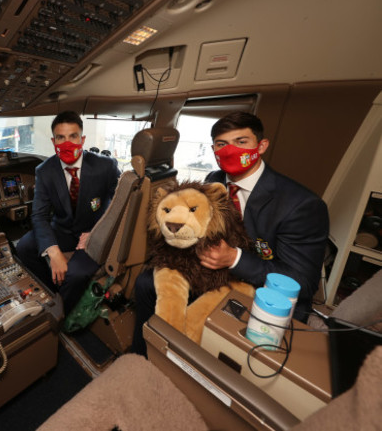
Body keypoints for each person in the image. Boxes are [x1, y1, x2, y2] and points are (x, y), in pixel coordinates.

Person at [132, 111, 329, 355]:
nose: (229, 150)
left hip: (261, 292)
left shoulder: (300, 204)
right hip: (211, 272)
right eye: (221, 144)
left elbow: (302, 282)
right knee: (145, 281)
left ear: (262, 145)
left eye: (241, 142)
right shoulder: (213, 179)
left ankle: (184, 365)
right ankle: (143, 355)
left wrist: (234, 258)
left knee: (208, 315)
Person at [15, 111, 121, 314]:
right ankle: (52, 291)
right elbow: (39, 215)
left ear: (82, 139)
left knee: (76, 274)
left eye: (73, 136)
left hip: (94, 234)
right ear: (54, 141)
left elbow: (120, 205)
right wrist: (53, 252)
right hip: (63, 230)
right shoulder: (44, 171)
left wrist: (97, 233)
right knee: (24, 246)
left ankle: (60, 315)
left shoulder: (105, 166)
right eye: (61, 138)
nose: (67, 143)